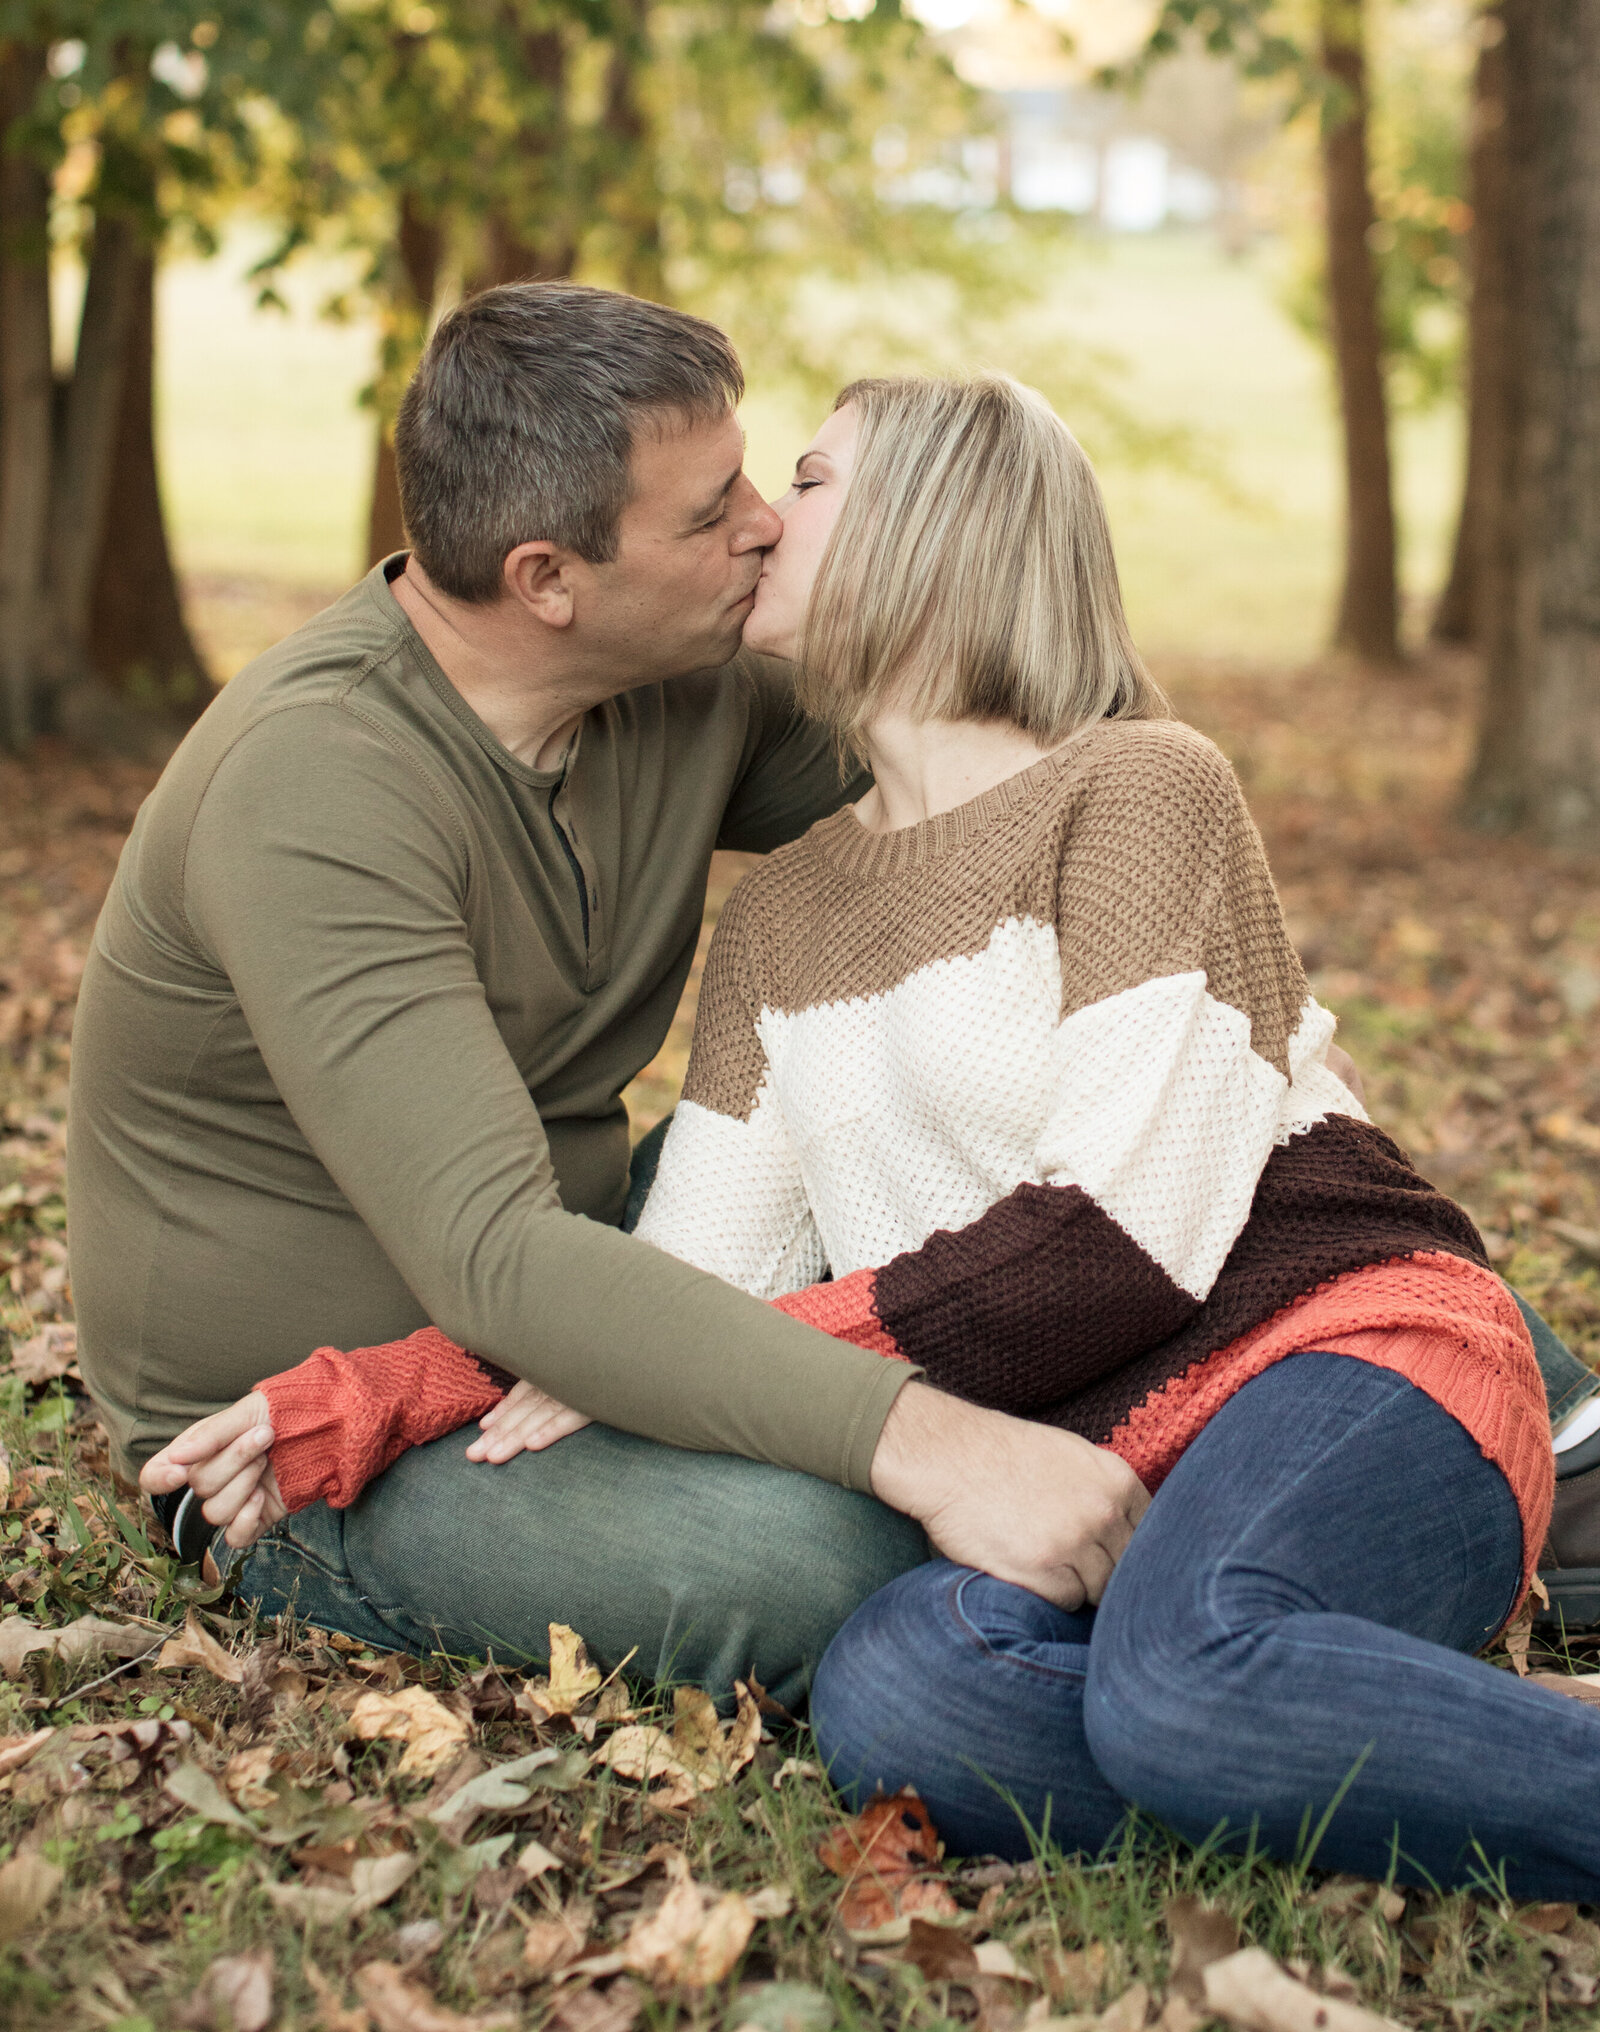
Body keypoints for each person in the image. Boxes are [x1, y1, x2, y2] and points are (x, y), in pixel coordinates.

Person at [151, 374, 1600, 1898]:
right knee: (903, 1704)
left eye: (809, 480)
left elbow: (1114, 1248)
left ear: (939, 528)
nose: (764, 521)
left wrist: (456, 1367)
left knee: (1182, 1681)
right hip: (1089, 1462)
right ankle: (1401, 1725)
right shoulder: (780, 917)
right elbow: (683, 1293)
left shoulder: (1138, 787)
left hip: (1336, 1357)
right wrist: (394, 1387)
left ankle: (1297, 1696)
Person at [71, 284, 1158, 1710]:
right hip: (317, 1435)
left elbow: (1032, 773)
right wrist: (941, 1443)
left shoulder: (679, 684)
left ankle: (1508, 1426)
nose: (764, 525)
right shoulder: (318, 784)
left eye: (761, 480)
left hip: (601, 1257)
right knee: (815, 1558)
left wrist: (994, 580)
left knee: (1093, 1121)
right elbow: (495, 1258)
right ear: (546, 580)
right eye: (710, 516)